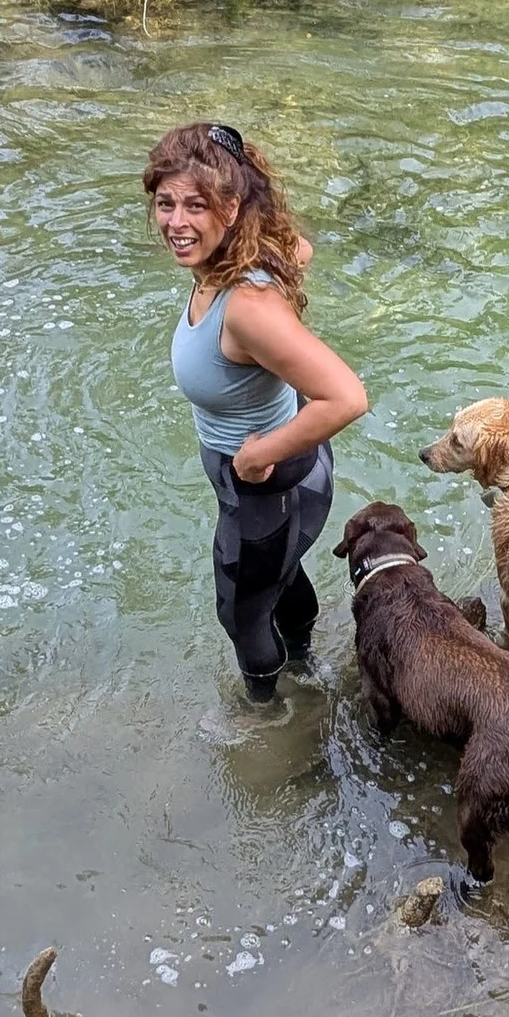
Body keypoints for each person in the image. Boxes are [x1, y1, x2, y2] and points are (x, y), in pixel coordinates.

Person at [149, 122, 368, 703]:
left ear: (230, 205)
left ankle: (268, 716)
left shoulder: (245, 307)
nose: (175, 222)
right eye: (165, 203)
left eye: (195, 205)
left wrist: (257, 456)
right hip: (299, 480)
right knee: (283, 575)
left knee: (242, 615)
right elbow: (302, 249)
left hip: (265, 490)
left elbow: (347, 397)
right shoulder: (256, 254)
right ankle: (305, 661)